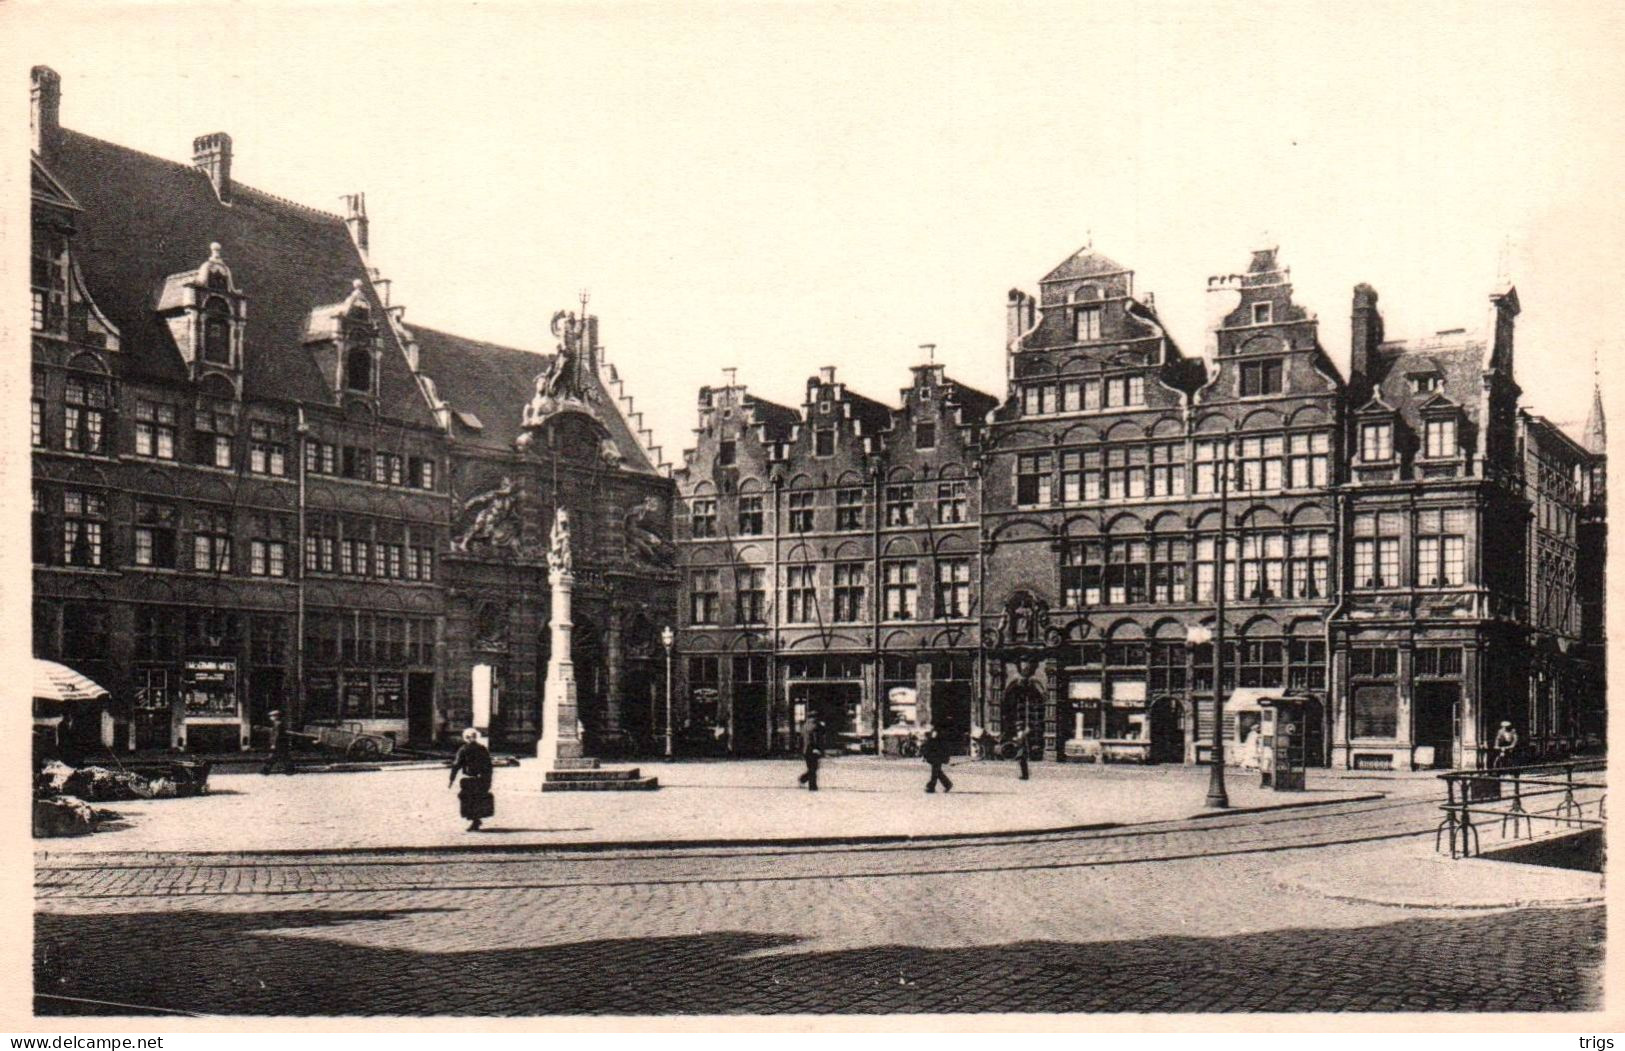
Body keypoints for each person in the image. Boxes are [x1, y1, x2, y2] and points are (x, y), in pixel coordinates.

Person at [449, 727, 495, 831]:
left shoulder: (464, 749)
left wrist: (451, 779)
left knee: (468, 799)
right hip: (481, 779)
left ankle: (475, 821)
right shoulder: (482, 748)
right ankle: (476, 820)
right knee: (477, 799)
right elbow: (489, 766)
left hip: (470, 780)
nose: (471, 739)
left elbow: (456, 765)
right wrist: (488, 780)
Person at [261, 710, 295, 776]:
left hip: (279, 744)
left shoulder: (277, 724)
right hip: (282, 744)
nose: (270, 717)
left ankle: (265, 770)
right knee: (284, 757)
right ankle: (290, 770)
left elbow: (277, 735)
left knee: (274, 757)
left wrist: (274, 744)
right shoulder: (278, 723)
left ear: (276, 716)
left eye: (272, 716)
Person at [922, 728, 953, 793]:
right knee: (937, 772)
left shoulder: (937, 735)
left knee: (935, 772)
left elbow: (934, 746)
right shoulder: (936, 735)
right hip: (935, 756)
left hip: (937, 756)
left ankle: (931, 787)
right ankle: (947, 784)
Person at [797, 714, 822, 791]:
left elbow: (800, 739)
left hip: (806, 750)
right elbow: (814, 739)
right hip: (812, 749)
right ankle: (812, 786)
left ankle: (804, 779)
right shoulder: (815, 726)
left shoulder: (804, 726)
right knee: (813, 768)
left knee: (811, 767)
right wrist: (817, 748)